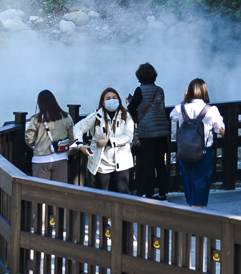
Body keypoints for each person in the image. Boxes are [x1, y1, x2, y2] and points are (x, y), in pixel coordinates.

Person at [169, 79, 224, 208]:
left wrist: (184, 99)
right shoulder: (211, 110)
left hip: (185, 149)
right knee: (201, 183)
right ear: (205, 91)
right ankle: (196, 213)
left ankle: (192, 208)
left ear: (189, 92)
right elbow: (221, 130)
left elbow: (172, 117)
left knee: (188, 181)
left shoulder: (180, 108)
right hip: (204, 150)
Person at [74, 87, 135, 193]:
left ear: (119, 100)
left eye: (114, 97)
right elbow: (77, 128)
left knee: (122, 197)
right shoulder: (97, 116)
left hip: (122, 163)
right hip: (102, 164)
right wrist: (80, 144)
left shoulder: (126, 115)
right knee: (102, 197)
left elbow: (128, 136)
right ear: (103, 102)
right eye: (108, 98)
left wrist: (108, 142)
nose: (112, 100)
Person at [128, 63, 169, 200]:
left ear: (140, 76)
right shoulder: (160, 90)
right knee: (160, 163)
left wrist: (129, 103)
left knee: (148, 163)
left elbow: (132, 108)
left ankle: (149, 192)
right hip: (162, 130)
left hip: (147, 131)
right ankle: (163, 192)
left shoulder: (140, 90)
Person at [25, 90, 76, 183]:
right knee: (60, 190)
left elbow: (29, 140)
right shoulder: (66, 117)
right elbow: (72, 138)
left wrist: (36, 144)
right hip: (61, 158)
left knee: (41, 191)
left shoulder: (36, 119)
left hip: (41, 159)